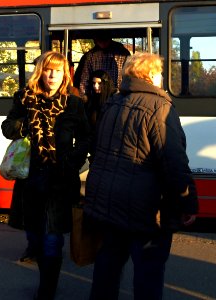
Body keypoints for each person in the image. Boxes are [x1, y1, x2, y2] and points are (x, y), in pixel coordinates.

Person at [84, 52, 199, 300]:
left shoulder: (112, 103)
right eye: (158, 72)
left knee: (107, 268)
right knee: (148, 274)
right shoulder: (159, 108)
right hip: (146, 210)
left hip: (109, 203)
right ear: (149, 75)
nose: (161, 77)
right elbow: (174, 162)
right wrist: (187, 202)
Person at [1, 51, 89, 300]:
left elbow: (86, 137)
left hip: (59, 180)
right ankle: (42, 269)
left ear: (65, 75)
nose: (52, 75)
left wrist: (73, 160)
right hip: (30, 179)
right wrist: (26, 124)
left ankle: (46, 290)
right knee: (35, 238)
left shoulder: (73, 103)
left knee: (52, 240)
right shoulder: (24, 98)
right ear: (40, 71)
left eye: (58, 71)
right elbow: (7, 128)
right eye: (48, 69)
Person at [76, 30, 131, 98]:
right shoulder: (90, 56)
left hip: (117, 96)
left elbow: (129, 77)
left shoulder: (122, 53)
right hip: (98, 97)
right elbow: (84, 82)